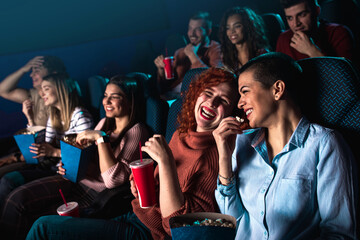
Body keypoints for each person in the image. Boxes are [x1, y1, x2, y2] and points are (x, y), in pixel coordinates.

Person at [26, 67, 239, 240]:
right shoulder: (181, 134)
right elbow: (157, 189)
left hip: (148, 232)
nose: (211, 103)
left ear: (231, 113)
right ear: (195, 96)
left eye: (224, 101)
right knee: (40, 218)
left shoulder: (215, 155)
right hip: (134, 214)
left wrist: (164, 162)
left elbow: (177, 227)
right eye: (208, 94)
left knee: (43, 227)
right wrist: (137, 187)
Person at [213, 52, 357, 239]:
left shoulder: (324, 144)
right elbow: (233, 222)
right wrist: (224, 158)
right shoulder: (240, 142)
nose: (239, 103)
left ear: (278, 89)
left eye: (245, 91)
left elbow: (339, 233)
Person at [0, 73, 94, 239]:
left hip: (68, 176)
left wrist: (53, 152)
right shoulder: (54, 116)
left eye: (46, 89)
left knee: (16, 198)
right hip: (49, 167)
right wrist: (29, 118)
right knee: (8, 180)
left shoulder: (80, 116)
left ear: (61, 90)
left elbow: (83, 157)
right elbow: (43, 144)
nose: (42, 94)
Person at [0, 56, 68, 172]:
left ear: (54, 74)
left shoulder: (63, 101)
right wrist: (23, 69)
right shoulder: (34, 94)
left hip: (46, 156)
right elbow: (3, 90)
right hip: (33, 149)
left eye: (36, 71)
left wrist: (14, 158)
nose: (31, 75)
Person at [154, 11, 222, 100]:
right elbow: (165, 85)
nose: (192, 34)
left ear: (208, 32)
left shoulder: (216, 49)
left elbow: (215, 79)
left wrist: (192, 56)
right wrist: (161, 70)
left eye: (198, 29)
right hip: (173, 96)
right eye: (190, 28)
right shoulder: (180, 52)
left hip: (197, 97)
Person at [276, 0, 355, 61]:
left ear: (317, 11)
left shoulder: (339, 33)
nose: (296, 23)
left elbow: (342, 78)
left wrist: (311, 50)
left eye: (302, 15)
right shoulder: (283, 39)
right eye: (290, 18)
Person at [218, 6, 270, 72]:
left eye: (237, 26)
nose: (232, 31)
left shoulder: (262, 54)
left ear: (247, 27)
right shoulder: (226, 57)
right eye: (228, 28)